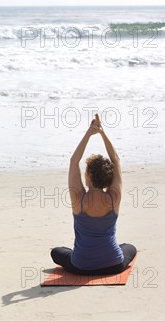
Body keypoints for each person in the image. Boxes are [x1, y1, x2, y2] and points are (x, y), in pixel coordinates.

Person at [51, 113, 137, 275]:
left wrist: (89, 133)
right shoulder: (114, 198)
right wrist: (102, 133)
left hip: (82, 266)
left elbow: (73, 161)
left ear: (88, 176)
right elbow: (116, 160)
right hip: (114, 264)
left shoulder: (78, 199)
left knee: (56, 252)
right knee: (130, 247)